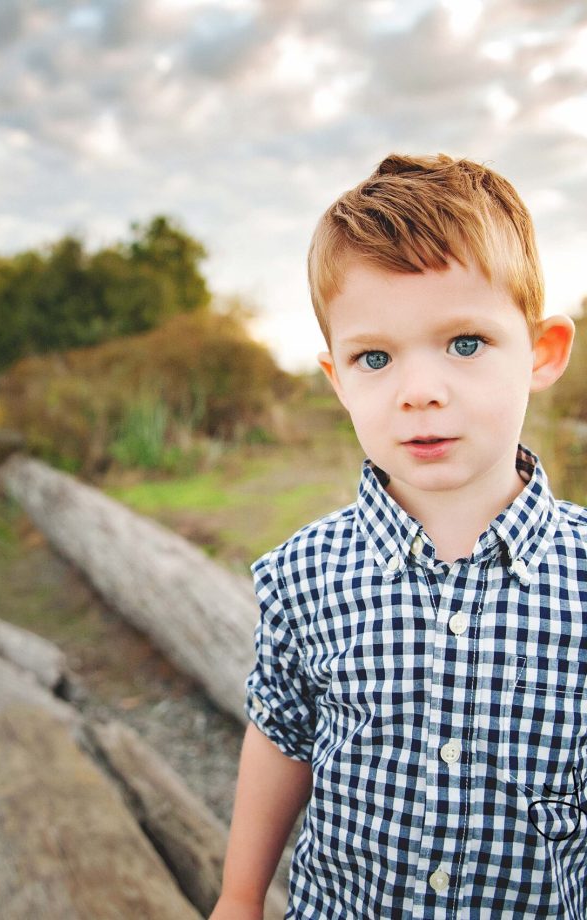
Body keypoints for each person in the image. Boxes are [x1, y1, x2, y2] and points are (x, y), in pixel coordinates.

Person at [209, 153, 584, 919]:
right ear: (339, 379)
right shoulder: (306, 573)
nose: (419, 392)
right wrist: (241, 897)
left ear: (541, 352)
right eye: (374, 357)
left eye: (466, 344)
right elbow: (282, 736)